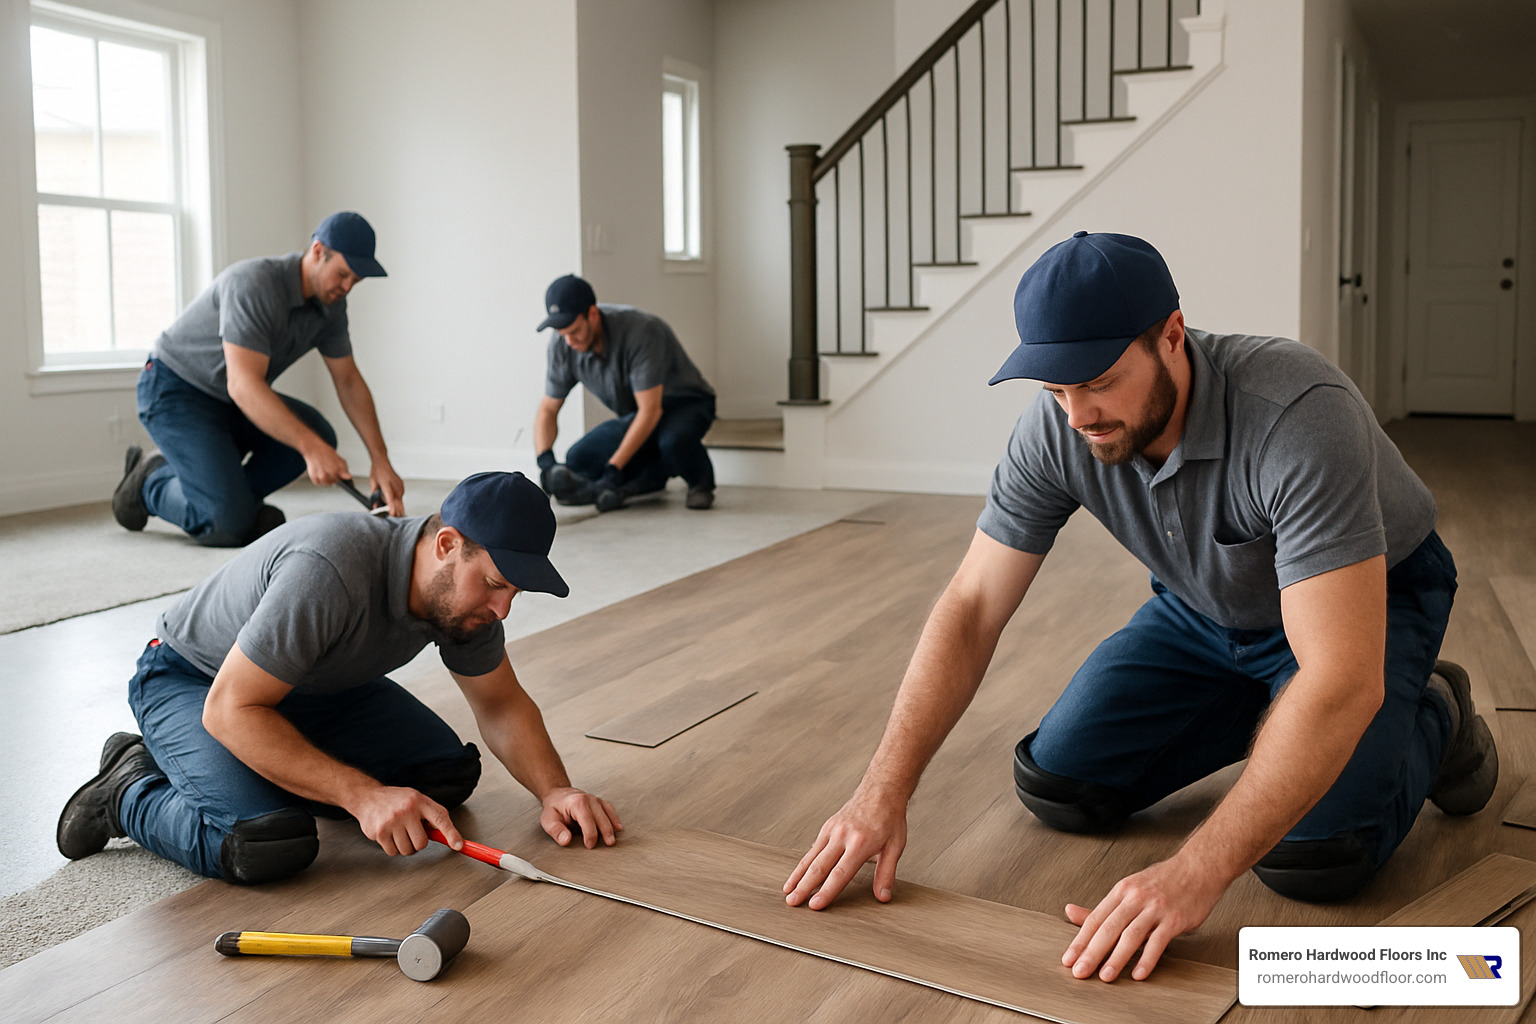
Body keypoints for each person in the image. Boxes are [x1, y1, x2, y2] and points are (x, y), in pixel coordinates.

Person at [782, 231, 1497, 982]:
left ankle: (1435, 712)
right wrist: (879, 793)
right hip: (1206, 610)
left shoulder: (1296, 413)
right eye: (1056, 389)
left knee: (1313, 856)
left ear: (1172, 336)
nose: (1079, 415)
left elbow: (1340, 677)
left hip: (1367, 602)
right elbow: (971, 605)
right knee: (1058, 785)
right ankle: (1272, 711)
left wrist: (1193, 872)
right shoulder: (1057, 429)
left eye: (1099, 380)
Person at [58, 471, 621, 884]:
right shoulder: (331, 568)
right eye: (497, 584)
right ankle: (129, 787)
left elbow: (501, 705)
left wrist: (555, 790)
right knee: (264, 842)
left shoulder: (464, 603)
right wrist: (362, 795)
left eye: (514, 593)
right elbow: (230, 708)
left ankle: (256, 765)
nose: (503, 610)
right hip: (197, 680)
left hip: (308, 687)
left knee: (443, 780)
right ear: (448, 545)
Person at [113, 211, 405, 547]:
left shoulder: (331, 306)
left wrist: (380, 459)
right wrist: (311, 449)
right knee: (226, 522)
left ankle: (236, 506)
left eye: (356, 280)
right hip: (174, 391)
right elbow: (244, 385)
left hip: (229, 399)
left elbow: (349, 381)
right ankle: (150, 480)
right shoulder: (254, 284)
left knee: (319, 433)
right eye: (342, 274)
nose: (347, 287)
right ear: (317, 251)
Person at [532, 274, 717, 512]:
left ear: (593, 314)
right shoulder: (563, 344)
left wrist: (613, 471)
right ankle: (649, 477)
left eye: (574, 331)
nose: (569, 341)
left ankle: (700, 484)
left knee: (672, 441)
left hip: (686, 404)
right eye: (562, 333)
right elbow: (548, 408)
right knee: (577, 458)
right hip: (636, 414)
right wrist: (545, 462)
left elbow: (651, 411)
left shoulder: (641, 332)